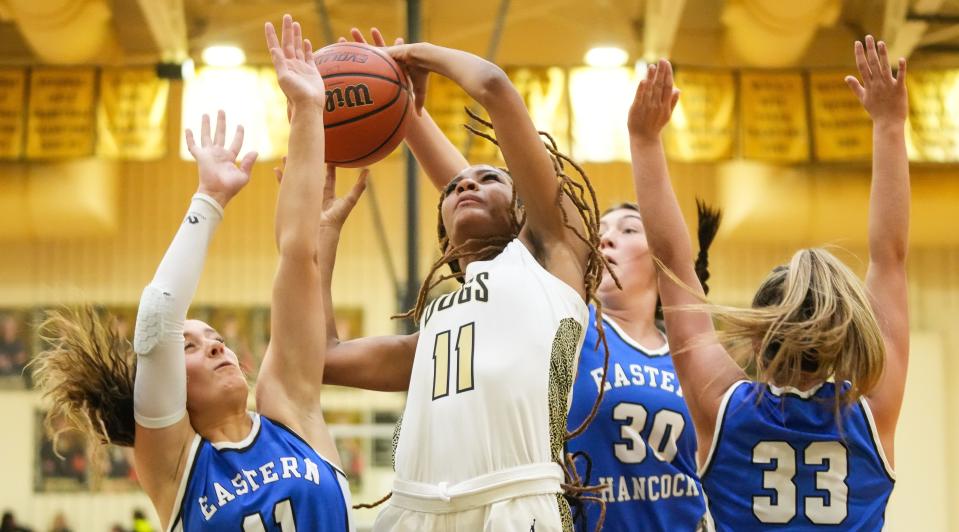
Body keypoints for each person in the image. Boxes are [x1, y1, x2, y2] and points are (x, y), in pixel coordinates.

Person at [31, 14, 362, 530]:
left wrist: (307, 110)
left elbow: (299, 255)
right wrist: (209, 198)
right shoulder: (173, 464)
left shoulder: (291, 407)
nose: (216, 346)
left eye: (214, 340)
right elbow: (159, 314)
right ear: (165, 388)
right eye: (190, 346)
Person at [319, 28, 609, 531]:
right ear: (446, 243)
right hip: (416, 509)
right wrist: (322, 235)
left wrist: (410, 57)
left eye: (489, 178)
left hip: (516, 501)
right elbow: (320, 356)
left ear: (523, 209)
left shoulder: (548, 260)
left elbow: (494, 87)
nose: (467, 183)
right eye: (453, 188)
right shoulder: (432, 331)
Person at [627, 35, 908, 531]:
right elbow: (890, 258)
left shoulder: (725, 407)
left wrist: (645, 140)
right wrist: (889, 125)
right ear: (846, 334)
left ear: (758, 336)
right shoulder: (871, 413)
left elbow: (672, 261)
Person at [564, 201, 718, 531]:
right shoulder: (571, 328)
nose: (605, 239)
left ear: (663, 256)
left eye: (629, 229)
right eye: (599, 231)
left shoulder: (690, 354)